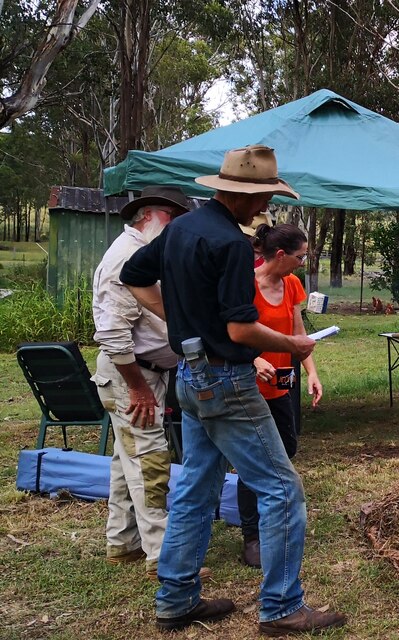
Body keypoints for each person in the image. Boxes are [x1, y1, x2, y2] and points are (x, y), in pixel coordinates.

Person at [121, 145, 345, 635]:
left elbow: (133, 275)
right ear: (246, 194)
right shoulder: (228, 243)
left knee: (196, 489)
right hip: (226, 379)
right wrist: (294, 343)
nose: (264, 205)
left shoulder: (180, 229)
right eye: (263, 196)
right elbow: (242, 331)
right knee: (283, 491)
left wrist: (180, 322)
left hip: (189, 376)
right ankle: (283, 606)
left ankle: (176, 598)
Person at [92, 185, 201, 580]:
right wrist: (136, 385)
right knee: (151, 461)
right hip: (131, 375)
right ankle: (164, 555)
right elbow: (112, 332)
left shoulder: (144, 253)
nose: (175, 229)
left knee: (129, 462)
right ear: (151, 217)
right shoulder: (126, 256)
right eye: (173, 220)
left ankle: (123, 544)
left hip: (143, 372)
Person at [237, 222, 323, 568]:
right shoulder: (247, 286)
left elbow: (298, 334)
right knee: (252, 461)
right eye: (300, 256)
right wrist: (254, 359)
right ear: (281, 254)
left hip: (282, 384)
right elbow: (235, 333)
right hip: (248, 384)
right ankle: (252, 537)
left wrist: (312, 372)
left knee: (286, 449)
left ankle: (274, 518)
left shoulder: (292, 285)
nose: (303, 262)